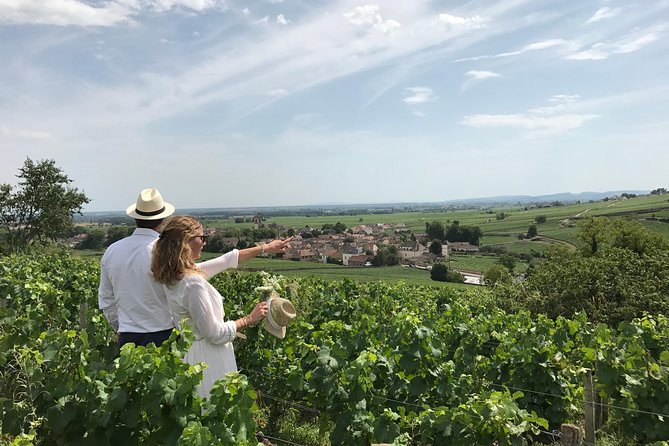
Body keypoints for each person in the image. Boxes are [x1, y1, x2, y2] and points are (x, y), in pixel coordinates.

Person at [151, 215, 291, 398]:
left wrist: (267, 247)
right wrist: (249, 319)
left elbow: (227, 260)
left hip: (192, 354)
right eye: (201, 238)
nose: (204, 243)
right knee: (217, 407)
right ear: (186, 242)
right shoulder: (192, 282)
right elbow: (215, 334)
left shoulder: (176, 275)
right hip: (208, 358)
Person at [98, 188, 176, 347]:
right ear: (163, 220)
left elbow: (106, 299)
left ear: (136, 218)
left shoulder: (112, 251)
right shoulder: (167, 251)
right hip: (166, 333)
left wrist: (119, 327)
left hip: (128, 335)